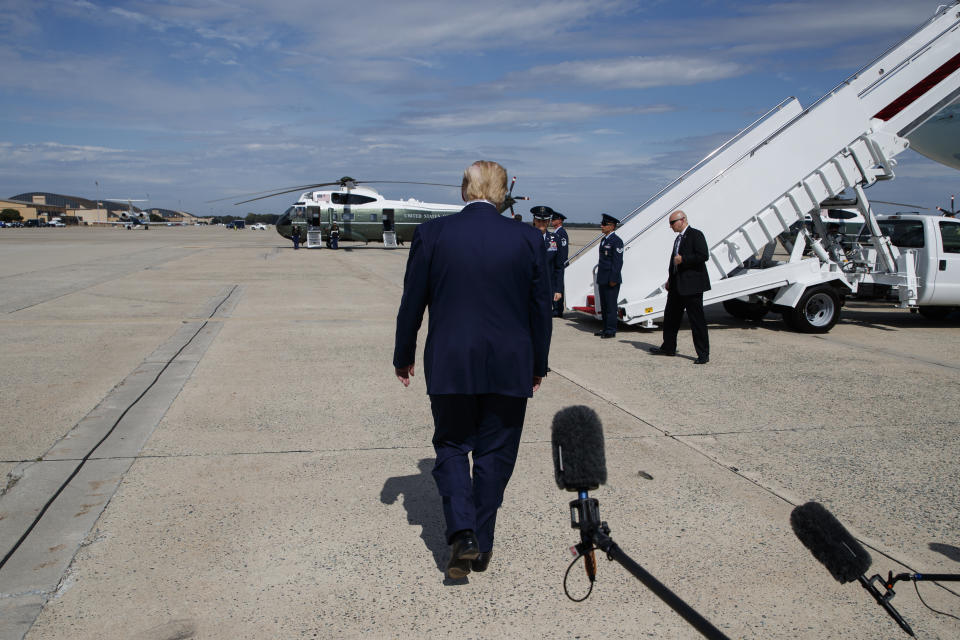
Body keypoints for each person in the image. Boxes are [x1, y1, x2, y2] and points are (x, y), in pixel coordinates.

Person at [393, 160, 552, 579]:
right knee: (495, 452)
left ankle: (462, 533)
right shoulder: (528, 238)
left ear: (465, 190)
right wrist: (538, 363)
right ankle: (481, 543)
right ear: (501, 194)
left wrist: (403, 354)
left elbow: (413, 301)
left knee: (451, 445)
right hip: (510, 362)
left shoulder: (433, 233)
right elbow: (541, 311)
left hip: (451, 359)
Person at [650, 210, 711, 364]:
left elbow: (703, 255)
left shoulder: (696, 235)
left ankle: (703, 354)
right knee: (670, 317)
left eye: (672, 223)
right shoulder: (678, 239)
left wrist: (684, 259)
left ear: (682, 220)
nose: (671, 227)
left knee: (696, 320)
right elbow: (673, 262)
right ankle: (668, 347)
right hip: (677, 285)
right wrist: (670, 279)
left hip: (692, 286)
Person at [594, 213, 623, 338]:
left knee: (611, 306)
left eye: (604, 224)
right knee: (604, 306)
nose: (602, 226)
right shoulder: (604, 240)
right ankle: (605, 328)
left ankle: (611, 330)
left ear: (612, 226)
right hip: (602, 278)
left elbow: (617, 262)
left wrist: (613, 279)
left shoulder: (616, 241)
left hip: (611, 279)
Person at [531, 206, 563, 311]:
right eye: (539, 220)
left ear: (548, 221)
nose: (541, 223)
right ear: (534, 220)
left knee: (544, 318)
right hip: (529, 287)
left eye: (544, 221)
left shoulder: (555, 239)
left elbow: (559, 267)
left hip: (547, 287)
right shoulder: (525, 238)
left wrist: (558, 289)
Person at [550, 211, 569, 317]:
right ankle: (555, 307)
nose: (552, 221)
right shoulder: (556, 233)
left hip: (559, 264)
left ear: (560, 221)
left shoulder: (561, 233)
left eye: (554, 219)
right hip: (554, 264)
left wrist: (560, 263)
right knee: (553, 286)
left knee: (558, 286)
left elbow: (562, 251)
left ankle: (558, 309)